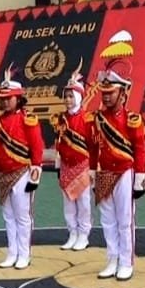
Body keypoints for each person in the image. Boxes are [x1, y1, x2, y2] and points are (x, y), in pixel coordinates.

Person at [88, 64, 145, 281]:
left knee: (125, 220)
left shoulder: (132, 119)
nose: (105, 97)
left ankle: (126, 261)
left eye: (110, 93)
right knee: (107, 220)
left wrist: (140, 178)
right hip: (103, 172)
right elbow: (93, 148)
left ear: (122, 93)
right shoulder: (96, 119)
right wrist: (93, 172)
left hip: (124, 171)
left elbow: (140, 149)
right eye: (103, 93)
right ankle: (112, 258)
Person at [0, 68, 44, 269]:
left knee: (22, 216)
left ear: (18, 99)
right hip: (2, 174)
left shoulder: (28, 119)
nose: (3, 102)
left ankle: (24, 253)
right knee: (8, 216)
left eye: (8, 98)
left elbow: (37, 147)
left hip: (21, 172)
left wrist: (34, 176)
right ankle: (12, 252)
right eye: (1, 98)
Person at [51, 64, 93, 252]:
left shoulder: (88, 118)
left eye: (71, 96)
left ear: (79, 97)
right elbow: (59, 143)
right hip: (67, 165)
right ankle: (72, 233)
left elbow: (93, 144)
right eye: (66, 96)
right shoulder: (60, 119)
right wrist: (58, 164)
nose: (67, 100)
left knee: (83, 202)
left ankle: (84, 234)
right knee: (68, 202)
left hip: (83, 165)